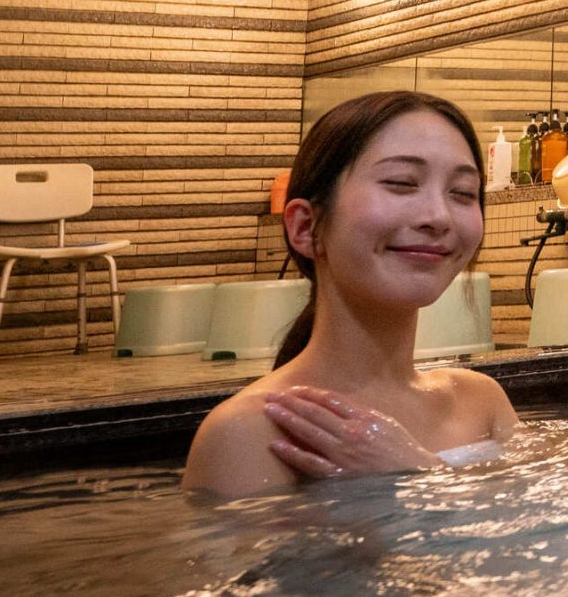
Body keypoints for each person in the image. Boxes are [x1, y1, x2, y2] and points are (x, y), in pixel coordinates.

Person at [183, 92, 516, 496]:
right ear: (306, 227)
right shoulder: (252, 431)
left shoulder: (480, 401)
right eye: (401, 183)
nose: (438, 217)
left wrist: (419, 473)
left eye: (462, 192)